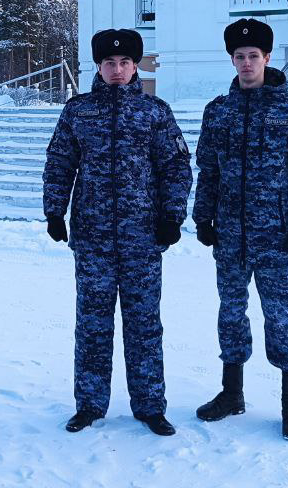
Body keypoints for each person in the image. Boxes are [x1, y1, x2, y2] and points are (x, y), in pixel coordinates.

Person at [43, 28, 193, 436]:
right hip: (92, 238)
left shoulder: (155, 112)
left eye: (125, 62)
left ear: (135, 66)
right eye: (110, 63)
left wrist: (171, 215)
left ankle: (150, 405)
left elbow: (176, 166)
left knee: (144, 324)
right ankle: (89, 404)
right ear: (98, 65)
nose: (117, 69)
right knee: (92, 323)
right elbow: (59, 162)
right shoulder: (78, 111)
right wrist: (55, 211)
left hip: (142, 238)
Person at [192, 20, 288, 440]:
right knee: (231, 313)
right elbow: (208, 170)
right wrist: (203, 217)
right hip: (231, 237)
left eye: (254, 56)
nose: (247, 63)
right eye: (240, 56)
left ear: (267, 59)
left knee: (282, 316)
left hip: (279, 238)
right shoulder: (219, 111)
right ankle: (231, 393)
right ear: (231, 60)